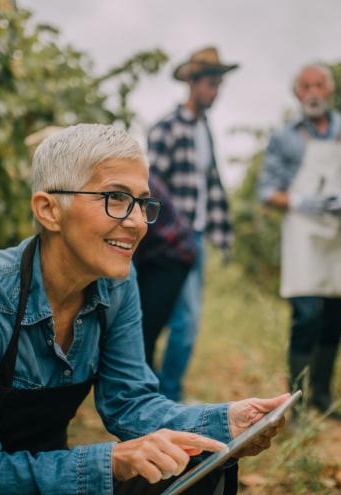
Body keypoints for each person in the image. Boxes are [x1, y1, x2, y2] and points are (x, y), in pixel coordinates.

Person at [0, 124, 288, 495]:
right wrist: (112, 462)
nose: (137, 222)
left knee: (195, 458)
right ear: (49, 210)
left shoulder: (117, 284)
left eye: (142, 202)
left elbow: (129, 402)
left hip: (43, 481)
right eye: (115, 198)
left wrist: (227, 422)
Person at [257, 64, 341, 413]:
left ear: (330, 90)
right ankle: (295, 400)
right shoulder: (285, 137)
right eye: (305, 86)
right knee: (306, 316)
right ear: (297, 93)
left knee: (337, 315)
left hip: (338, 236)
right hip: (303, 236)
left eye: (319, 85)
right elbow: (267, 190)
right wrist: (298, 200)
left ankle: (322, 396)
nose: (312, 92)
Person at [147, 46, 237, 401]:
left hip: (195, 238)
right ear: (193, 83)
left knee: (183, 321)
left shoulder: (205, 131)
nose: (215, 92)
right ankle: (165, 396)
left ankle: (164, 392)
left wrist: (222, 233)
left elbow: (210, 184)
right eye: (211, 84)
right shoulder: (166, 128)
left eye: (218, 85)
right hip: (169, 241)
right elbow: (152, 185)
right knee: (173, 320)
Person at [134, 175, 197, 369]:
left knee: (144, 332)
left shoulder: (138, 181)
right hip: (148, 254)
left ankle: (144, 392)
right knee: (138, 330)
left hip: (172, 255)